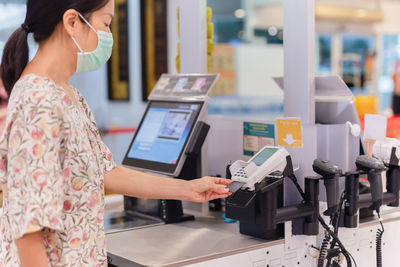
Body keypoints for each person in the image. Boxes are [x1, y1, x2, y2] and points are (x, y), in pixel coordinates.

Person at [0, 0, 232, 266]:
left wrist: (189, 189)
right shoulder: (37, 100)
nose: (109, 36)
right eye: (106, 23)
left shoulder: (68, 95)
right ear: (72, 22)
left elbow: (105, 172)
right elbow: (29, 228)